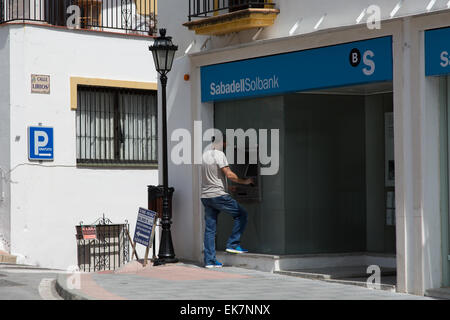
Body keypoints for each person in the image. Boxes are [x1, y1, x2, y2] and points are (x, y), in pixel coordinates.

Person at [201, 135, 253, 268]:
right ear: (221, 142)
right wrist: (245, 181)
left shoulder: (205, 155)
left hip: (206, 196)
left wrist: (227, 187)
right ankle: (233, 244)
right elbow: (229, 174)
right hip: (218, 196)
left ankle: (210, 261)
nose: (226, 146)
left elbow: (212, 177)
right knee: (241, 214)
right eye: (225, 143)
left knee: (210, 230)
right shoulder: (219, 154)